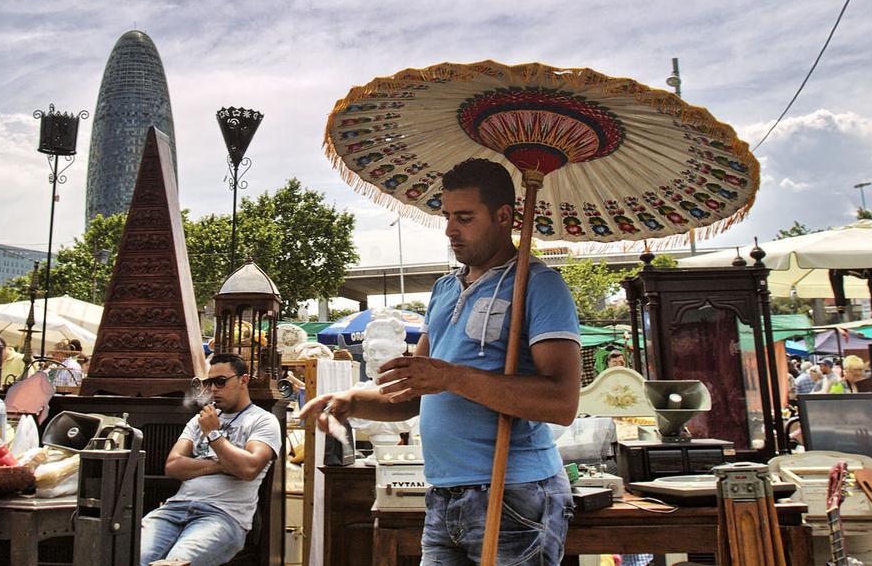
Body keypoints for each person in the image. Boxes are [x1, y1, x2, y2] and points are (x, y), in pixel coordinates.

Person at [300, 158, 581, 565]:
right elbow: (416, 394)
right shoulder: (444, 289)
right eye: (447, 216)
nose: (450, 229)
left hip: (513, 494)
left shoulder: (540, 285)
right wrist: (352, 401)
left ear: (504, 216)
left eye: (464, 217)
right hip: (442, 495)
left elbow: (561, 402)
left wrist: (449, 375)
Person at [140, 353, 282, 566]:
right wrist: (221, 464)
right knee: (131, 556)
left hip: (223, 516)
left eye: (221, 382)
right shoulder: (201, 420)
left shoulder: (263, 421)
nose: (214, 389)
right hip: (174, 509)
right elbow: (173, 465)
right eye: (209, 383)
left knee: (175, 564)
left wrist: (214, 436)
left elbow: (248, 468)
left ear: (243, 380)